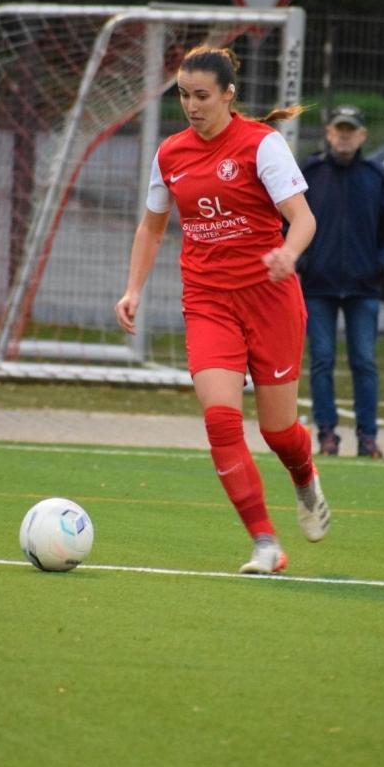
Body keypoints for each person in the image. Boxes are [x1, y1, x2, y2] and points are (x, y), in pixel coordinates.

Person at [114, 45, 330, 575]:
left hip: (270, 299)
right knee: (220, 419)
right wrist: (133, 289)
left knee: (278, 432)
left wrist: (289, 252)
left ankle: (305, 478)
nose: (191, 106)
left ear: (229, 95)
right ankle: (264, 543)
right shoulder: (171, 154)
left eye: (202, 95)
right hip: (208, 300)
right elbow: (152, 227)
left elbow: (303, 218)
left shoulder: (262, 144)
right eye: (183, 95)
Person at [298, 104, 384, 458]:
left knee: (364, 362)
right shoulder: (309, 173)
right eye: (338, 129)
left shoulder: (375, 177)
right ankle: (327, 433)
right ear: (329, 133)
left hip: (363, 287)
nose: (344, 136)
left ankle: (367, 436)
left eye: (350, 130)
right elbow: (286, 222)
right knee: (322, 360)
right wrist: (302, 261)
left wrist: (380, 265)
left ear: (362, 135)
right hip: (318, 285)